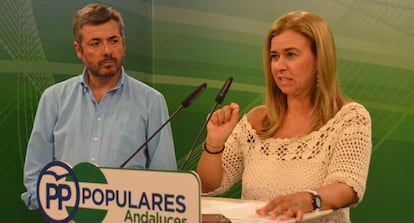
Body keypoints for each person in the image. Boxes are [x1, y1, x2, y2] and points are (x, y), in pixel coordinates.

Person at [197, 11, 371, 223]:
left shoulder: (350, 117)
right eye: (274, 56)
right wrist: (214, 142)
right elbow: (210, 186)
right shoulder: (256, 121)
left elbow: (348, 188)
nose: (279, 66)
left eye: (291, 54)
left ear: (319, 59)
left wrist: (308, 199)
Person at [21, 3, 177, 210]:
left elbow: (165, 180)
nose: (107, 51)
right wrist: (57, 206)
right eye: (95, 43)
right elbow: (36, 174)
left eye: (113, 41)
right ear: (79, 50)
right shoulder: (54, 99)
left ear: (123, 43)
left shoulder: (151, 101)